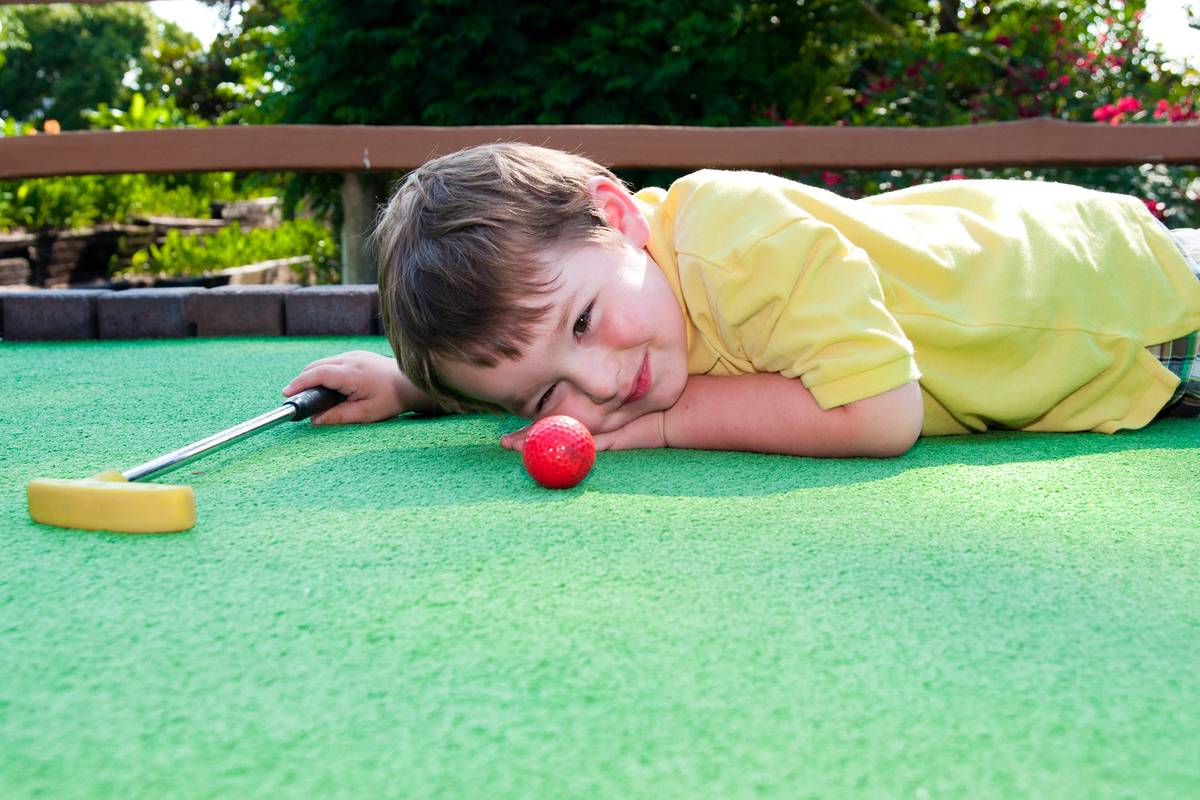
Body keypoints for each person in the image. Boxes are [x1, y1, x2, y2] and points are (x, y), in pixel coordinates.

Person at [283, 143, 1200, 458]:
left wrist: (673, 427)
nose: (601, 386)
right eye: (539, 397)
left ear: (616, 215)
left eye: (585, 324)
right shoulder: (613, 295)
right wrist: (417, 389)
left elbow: (882, 415)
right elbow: (541, 357)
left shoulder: (735, 233)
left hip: (1138, 309)